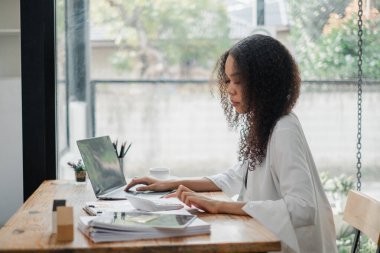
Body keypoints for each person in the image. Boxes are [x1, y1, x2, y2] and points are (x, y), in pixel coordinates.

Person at [125, 34, 337, 253]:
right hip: (265, 238)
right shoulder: (265, 122)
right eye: (227, 81)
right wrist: (169, 183)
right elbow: (236, 175)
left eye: (238, 81)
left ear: (264, 82)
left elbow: (303, 208)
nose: (230, 90)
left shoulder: (283, 128)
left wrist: (219, 205)